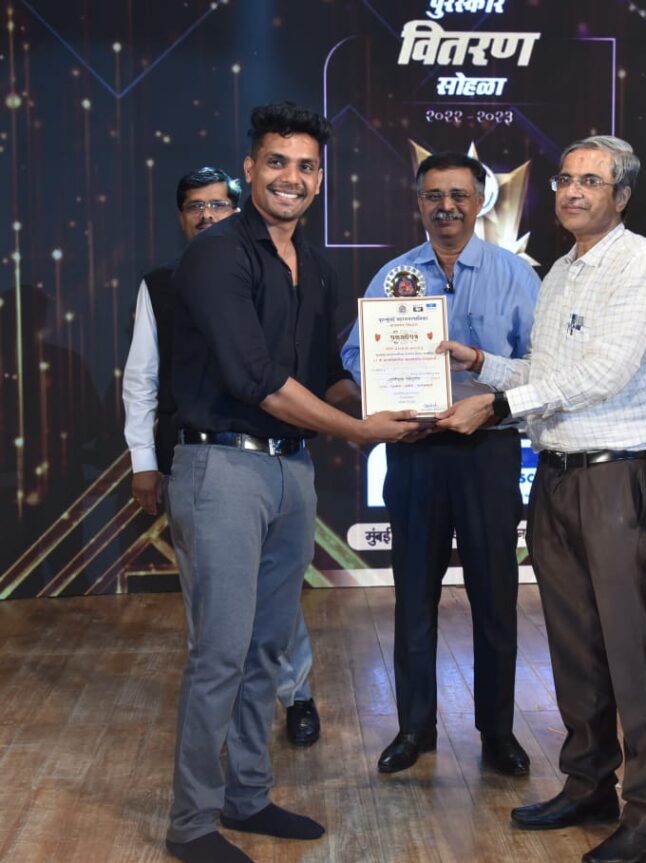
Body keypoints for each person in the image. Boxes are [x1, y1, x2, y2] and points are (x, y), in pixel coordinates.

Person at [164, 102, 420, 863]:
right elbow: (257, 378)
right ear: (250, 169)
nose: (292, 177)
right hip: (223, 468)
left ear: (320, 178)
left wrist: (394, 398)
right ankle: (191, 823)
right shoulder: (216, 254)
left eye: (306, 166)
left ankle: (246, 795)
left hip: (291, 471)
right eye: (277, 162)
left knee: (268, 647)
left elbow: (323, 375)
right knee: (220, 651)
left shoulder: (317, 263)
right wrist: (360, 432)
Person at [437, 135, 646, 863]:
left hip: (614, 476)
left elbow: (604, 373)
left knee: (630, 649)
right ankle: (588, 783)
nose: (572, 191)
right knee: (573, 643)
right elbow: (546, 372)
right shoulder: (564, 269)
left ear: (622, 196)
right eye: (566, 179)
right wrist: (483, 364)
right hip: (557, 474)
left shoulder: (641, 262)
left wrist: (497, 405)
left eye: (591, 182)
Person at [341, 151, 540, 776]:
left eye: (458, 195)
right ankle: (414, 729)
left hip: (489, 449)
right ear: (419, 203)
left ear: (480, 203)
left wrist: (487, 387)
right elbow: (354, 353)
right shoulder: (394, 275)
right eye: (434, 196)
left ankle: (498, 732)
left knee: (495, 595)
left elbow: (542, 366)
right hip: (416, 450)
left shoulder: (516, 275)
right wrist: (386, 387)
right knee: (414, 595)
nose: (446, 207)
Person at [122, 166, 323, 749]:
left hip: (276, 458)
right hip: (201, 463)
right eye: (195, 206)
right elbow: (141, 380)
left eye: (218, 204)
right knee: (212, 603)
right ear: (181, 217)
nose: (206, 215)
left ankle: (296, 694)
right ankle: (222, 712)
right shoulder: (161, 285)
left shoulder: (275, 272)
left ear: (238, 210)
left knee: (278, 595)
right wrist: (142, 461)